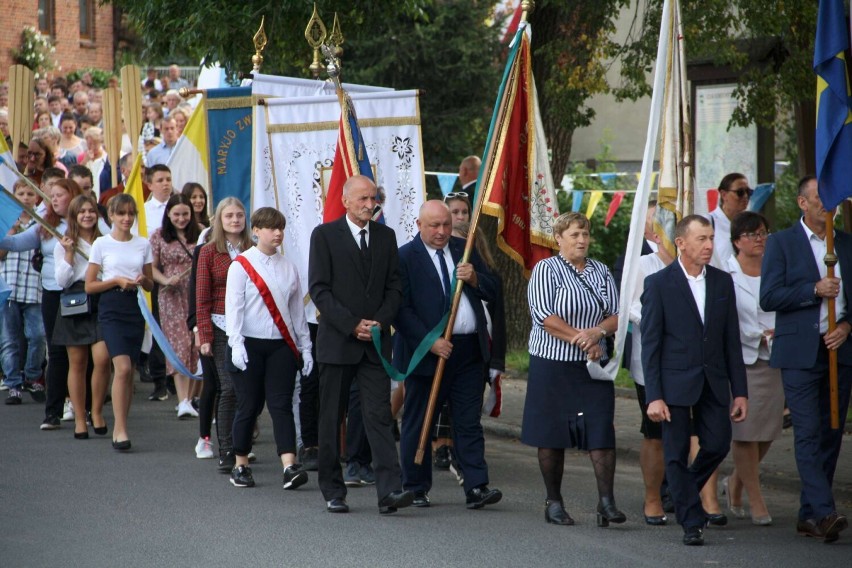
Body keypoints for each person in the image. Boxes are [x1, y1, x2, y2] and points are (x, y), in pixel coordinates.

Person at [642, 214, 748, 546]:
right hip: (673, 383)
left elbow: (731, 338)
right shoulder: (659, 284)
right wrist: (654, 396)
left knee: (717, 443)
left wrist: (740, 391)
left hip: (714, 381)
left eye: (712, 238)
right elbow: (651, 345)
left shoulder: (721, 281)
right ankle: (691, 521)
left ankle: (681, 490)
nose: (708, 245)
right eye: (701, 238)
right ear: (681, 243)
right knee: (674, 452)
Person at [308, 174, 412, 514]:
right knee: (331, 418)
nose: (370, 205)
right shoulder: (324, 236)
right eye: (364, 199)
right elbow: (320, 289)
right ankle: (333, 491)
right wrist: (353, 325)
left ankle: (389, 492)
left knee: (379, 416)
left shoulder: (386, 236)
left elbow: (394, 288)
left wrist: (379, 324)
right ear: (346, 200)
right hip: (338, 342)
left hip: (376, 345)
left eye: (374, 199)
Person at [760, 175, 852, 543]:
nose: (826, 205)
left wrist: (846, 325)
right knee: (809, 431)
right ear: (802, 203)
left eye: (830, 199)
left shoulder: (846, 244)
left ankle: (808, 514)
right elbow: (769, 297)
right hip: (800, 352)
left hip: (839, 349)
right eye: (819, 199)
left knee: (832, 432)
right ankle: (825, 510)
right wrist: (813, 290)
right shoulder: (782, 243)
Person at [395, 200, 502, 509]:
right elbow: (401, 311)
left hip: (468, 351)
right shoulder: (405, 257)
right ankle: (415, 485)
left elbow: (493, 290)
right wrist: (430, 342)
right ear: (419, 225)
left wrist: (476, 279)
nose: (442, 232)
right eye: (434, 226)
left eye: (445, 225)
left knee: (468, 421)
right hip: (427, 353)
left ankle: (476, 486)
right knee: (420, 419)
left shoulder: (464, 249)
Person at [521, 212, 623, 527]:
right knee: (551, 434)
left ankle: (606, 502)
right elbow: (543, 315)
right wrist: (583, 339)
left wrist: (598, 334)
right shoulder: (545, 269)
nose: (582, 240)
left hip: (593, 367)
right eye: (575, 234)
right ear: (559, 238)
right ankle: (554, 501)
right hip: (552, 365)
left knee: (601, 431)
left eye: (585, 234)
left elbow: (616, 314)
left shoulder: (601, 271)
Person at [224, 207, 312, 490]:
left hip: (280, 346)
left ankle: (289, 465)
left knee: (281, 404)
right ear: (256, 231)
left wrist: (305, 347)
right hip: (248, 344)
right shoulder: (240, 265)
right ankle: (240, 464)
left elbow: (297, 313)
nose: (278, 233)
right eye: (271, 228)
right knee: (249, 404)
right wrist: (235, 344)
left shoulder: (289, 268)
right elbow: (233, 309)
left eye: (280, 228)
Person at [0, 179, 85, 430]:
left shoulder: (87, 220)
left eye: (60, 195)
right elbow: (15, 244)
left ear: (73, 196)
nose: (54, 200)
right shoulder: (45, 225)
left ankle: (84, 406)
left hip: (80, 291)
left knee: (81, 353)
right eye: (52, 196)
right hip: (51, 293)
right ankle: (53, 412)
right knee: (57, 352)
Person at [721, 211, 782, 526]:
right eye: (752, 234)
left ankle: (736, 481)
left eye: (763, 232)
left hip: (775, 358)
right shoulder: (726, 273)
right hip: (741, 359)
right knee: (745, 431)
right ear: (737, 241)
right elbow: (725, 321)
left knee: (768, 430)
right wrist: (756, 334)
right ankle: (756, 502)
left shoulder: (776, 267)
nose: (760, 239)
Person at [85, 194, 154, 451]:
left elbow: (149, 282)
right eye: (121, 213)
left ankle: (122, 424)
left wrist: (141, 281)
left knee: (129, 370)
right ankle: (119, 428)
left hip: (134, 307)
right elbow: (90, 285)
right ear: (111, 215)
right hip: (111, 306)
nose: (126, 218)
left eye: (130, 213)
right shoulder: (101, 244)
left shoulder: (143, 244)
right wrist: (116, 281)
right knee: (122, 368)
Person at [195, 198, 253, 465]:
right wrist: (204, 335)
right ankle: (227, 450)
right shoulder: (208, 251)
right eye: (229, 215)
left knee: (248, 390)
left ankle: (242, 443)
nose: (235, 220)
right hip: (220, 326)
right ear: (219, 219)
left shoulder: (254, 247)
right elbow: (202, 297)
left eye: (239, 215)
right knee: (228, 388)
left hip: (252, 326)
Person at [627, 227, 674, 525]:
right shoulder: (644, 265)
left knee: (691, 432)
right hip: (652, 362)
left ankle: (686, 493)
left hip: (692, 365)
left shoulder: (702, 268)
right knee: (655, 432)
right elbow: (630, 305)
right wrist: (665, 323)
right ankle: (653, 496)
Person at [54, 194, 110, 439]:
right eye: (82, 212)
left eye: (91, 211)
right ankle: (79, 417)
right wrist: (68, 254)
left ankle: (96, 411)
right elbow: (61, 281)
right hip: (74, 299)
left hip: (101, 297)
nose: (87, 215)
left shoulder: (105, 240)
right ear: (74, 216)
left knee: (103, 358)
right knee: (77, 363)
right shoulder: (65, 242)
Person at [150, 194, 200, 419]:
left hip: (196, 293)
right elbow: (150, 267)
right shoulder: (159, 236)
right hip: (170, 295)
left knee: (195, 345)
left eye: (185, 214)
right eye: (177, 214)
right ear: (168, 214)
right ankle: (183, 400)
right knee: (179, 343)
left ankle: (190, 397)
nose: (181, 219)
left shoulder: (200, 233)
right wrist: (165, 280)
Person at [1, 179, 47, 405]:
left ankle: (32, 376)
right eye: (21, 193)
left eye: (30, 194)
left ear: (37, 198)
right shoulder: (6, 221)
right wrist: (9, 231)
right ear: (13, 196)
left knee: (37, 335)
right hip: (9, 288)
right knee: (10, 340)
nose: (26, 197)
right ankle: (13, 383)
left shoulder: (41, 223)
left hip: (34, 289)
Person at [708, 173, 752, 267]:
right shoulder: (708, 222)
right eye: (740, 192)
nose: (745, 196)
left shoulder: (753, 223)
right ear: (724, 195)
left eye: (748, 192)